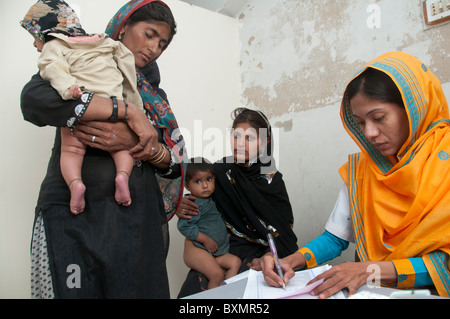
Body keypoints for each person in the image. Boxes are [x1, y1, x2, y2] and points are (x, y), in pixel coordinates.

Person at [20, 0, 187, 298]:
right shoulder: (84, 58)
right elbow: (34, 100)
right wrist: (125, 111)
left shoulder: (156, 96)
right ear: (123, 28)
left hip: (136, 216)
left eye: (162, 44)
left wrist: (146, 148)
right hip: (76, 213)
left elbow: (173, 162)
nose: (154, 48)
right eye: (149, 35)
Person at [260, 51, 450, 299]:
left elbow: (444, 263)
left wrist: (369, 270)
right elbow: (336, 237)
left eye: (379, 118)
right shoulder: (363, 169)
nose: (369, 132)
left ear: (414, 107)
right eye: (360, 123)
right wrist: (291, 261)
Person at [21, 0, 145, 214]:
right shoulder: (105, 42)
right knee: (123, 149)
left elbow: (52, 69)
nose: (35, 45)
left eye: (35, 37)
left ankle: (75, 184)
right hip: (114, 104)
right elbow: (127, 71)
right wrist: (133, 108)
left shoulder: (55, 45)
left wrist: (69, 89)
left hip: (81, 104)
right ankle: (122, 176)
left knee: (71, 150)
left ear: (45, 32)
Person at [176, 108, 298, 297]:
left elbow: (284, 235)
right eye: (235, 136)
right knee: (194, 290)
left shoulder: (272, 181)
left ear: (265, 141)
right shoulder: (220, 172)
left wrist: (267, 257)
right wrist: (184, 203)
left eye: (249, 138)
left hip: (260, 253)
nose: (240, 144)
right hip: (220, 248)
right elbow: (199, 195)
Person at [177, 157, 242, 289]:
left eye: (209, 179)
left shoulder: (212, 199)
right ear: (187, 186)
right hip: (199, 250)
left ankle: (227, 292)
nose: (205, 186)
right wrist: (205, 239)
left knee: (235, 262)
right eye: (198, 181)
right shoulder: (193, 204)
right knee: (217, 275)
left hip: (216, 251)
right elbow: (184, 226)